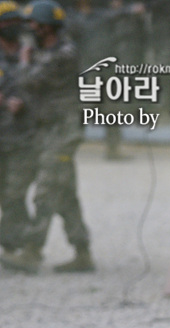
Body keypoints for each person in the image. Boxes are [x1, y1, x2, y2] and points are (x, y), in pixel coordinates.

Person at [0, 0, 94, 274]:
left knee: (46, 192)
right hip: (49, 131)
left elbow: (29, 81)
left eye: (33, 23)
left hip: (63, 133)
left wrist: (26, 60)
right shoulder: (45, 50)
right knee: (64, 192)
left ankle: (31, 252)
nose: (28, 28)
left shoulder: (63, 53)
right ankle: (82, 251)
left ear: (47, 27)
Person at [0, 1, 35, 258]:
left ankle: (24, 244)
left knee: (15, 191)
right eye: (8, 23)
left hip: (24, 138)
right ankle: (19, 242)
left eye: (17, 23)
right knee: (7, 192)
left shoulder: (31, 53)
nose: (14, 28)